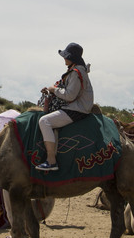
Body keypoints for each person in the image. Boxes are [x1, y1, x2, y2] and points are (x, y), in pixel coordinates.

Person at [36, 42, 94, 171]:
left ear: (71, 58)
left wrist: (53, 89)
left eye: (66, 56)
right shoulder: (77, 70)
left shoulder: (75, 72)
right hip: (78, 107)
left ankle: (51, 161)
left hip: (77, 109)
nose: (64, 58)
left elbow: (70, 96)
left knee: (44, 121)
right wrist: (52, 89)